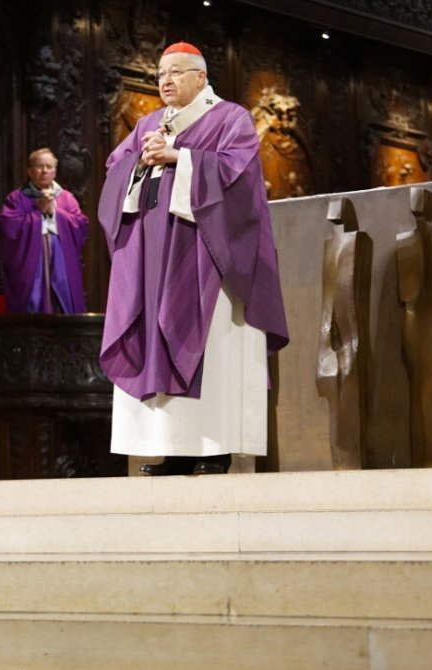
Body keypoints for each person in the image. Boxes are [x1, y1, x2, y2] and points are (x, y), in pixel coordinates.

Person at [98, 42, 289, 475]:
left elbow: (237, 177)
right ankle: (172, 450)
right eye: (160, 74)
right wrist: (141, 165)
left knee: (215, 349)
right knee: (157, 345)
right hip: (154, 261)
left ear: (201, 78)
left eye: (176, 72)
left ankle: (214, 450)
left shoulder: (230, 118)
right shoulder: (148, 123)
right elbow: (116, 170)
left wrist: (180, 159)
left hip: (207, 260)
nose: (165, 81)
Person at [0, 148, 89, 314]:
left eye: (49, 166)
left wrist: (54, 212)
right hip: (31, 260)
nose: (45, 170)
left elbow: (80, 224)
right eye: (40, 166)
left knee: (63, 298)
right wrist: (38, 214)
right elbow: (8, 227)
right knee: (33, 301)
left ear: (55, 171)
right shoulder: (16, 198)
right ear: (30, 171)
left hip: (61, 255)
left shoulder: (66, 197)